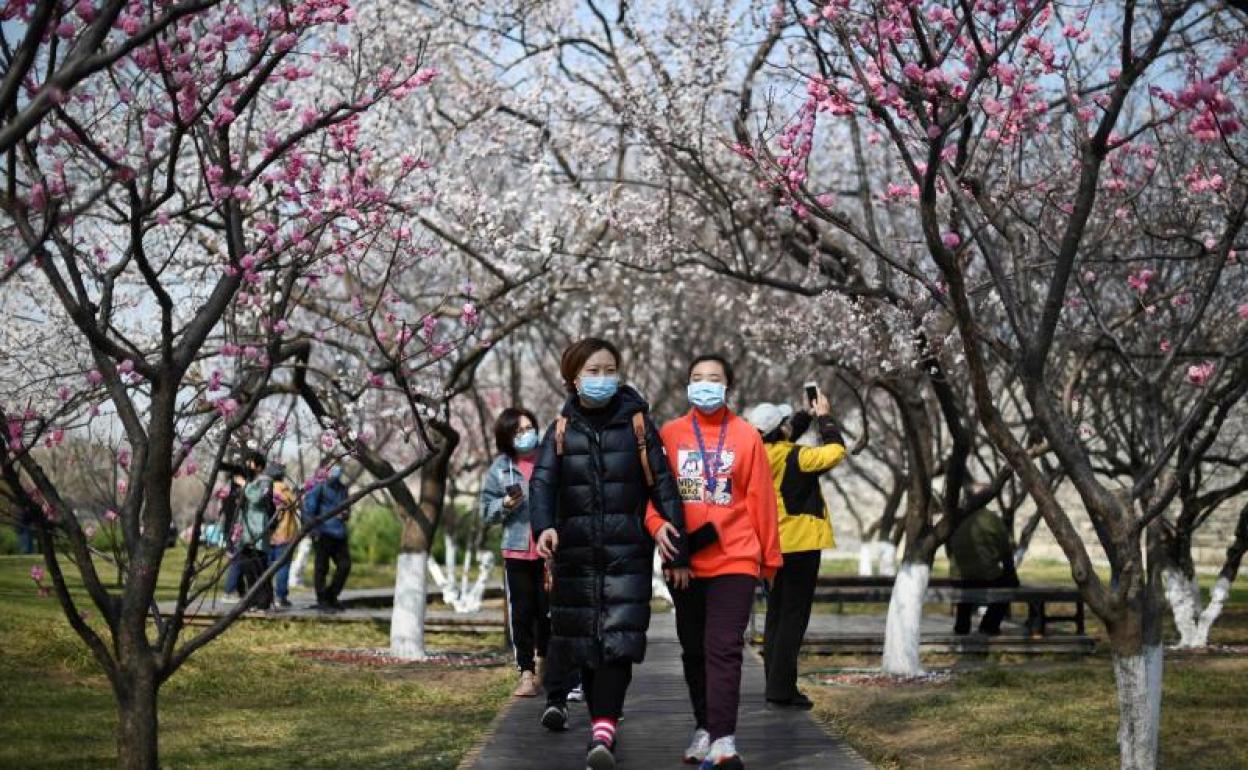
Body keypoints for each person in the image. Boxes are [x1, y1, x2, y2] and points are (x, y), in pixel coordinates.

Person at [530, 337, 688, 770]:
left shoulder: (637, 423)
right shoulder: (561, 428)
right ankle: (596, 718)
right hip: (576, 552)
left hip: (627, 552)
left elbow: (663, 483)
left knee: (618, 640)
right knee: (583, 639)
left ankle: (603, 728)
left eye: (609, 369)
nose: (602, 378)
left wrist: (678, 552)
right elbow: (542, 483)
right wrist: (544, 527)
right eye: (592, 371)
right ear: (574, 378)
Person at [648, 353, 782, 770]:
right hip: (683, 562)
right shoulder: (669, 434)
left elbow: (761, 499)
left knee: (723, 647)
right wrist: (657, 530)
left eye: (714, 378)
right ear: (687, 385)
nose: (705, 385)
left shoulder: (746, 436)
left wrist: (770, 561)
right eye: (697, 378)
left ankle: (724, 739)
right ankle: (704, 726)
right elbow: (651, 496)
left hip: (735, 558)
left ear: (728, 387)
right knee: (693, 650)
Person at [744, 391, 846, 710]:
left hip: (768, 546)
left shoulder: (753, 454)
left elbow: (783, 434)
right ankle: (782, 690)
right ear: (780, 429)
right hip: (800, 545)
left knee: (776, 615)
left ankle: (775, 683)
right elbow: (835, 452)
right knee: (793, 618)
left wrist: (805, 414)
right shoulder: (796, 456)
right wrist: (826, 417)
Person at [480, 406, 549, 697]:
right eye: (517, 431)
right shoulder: (500, 468)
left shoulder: (549, 461)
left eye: (528, 428)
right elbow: (485, 512)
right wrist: (505, 505)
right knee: (522, 613)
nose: (525, 434)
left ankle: (545, 665)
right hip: (517, 552)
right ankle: (526, 672)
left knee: (548, 612)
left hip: (549, 550)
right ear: (507, 436)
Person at [946, 495, 1020, 636]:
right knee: (1007, 588)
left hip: (958, 578)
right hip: (986, 577)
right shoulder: (992, 520)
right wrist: (1010, 573)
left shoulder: (956, 520)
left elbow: (949, 548)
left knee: (965, 592)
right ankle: (989, 625)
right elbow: (1006, 550)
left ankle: (962, 626)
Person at [303, 463, 352, 611]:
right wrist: (313, 531)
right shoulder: (319, 487)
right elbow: (308, 510)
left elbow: (347, 507)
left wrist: (345, 514)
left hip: (339, 533)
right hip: (323, 532)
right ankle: (322, 599)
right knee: (321, 568)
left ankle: (331, 595)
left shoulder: (343, 489)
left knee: (345, 565)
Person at [236, 451, 275, 610]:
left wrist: (244, 485)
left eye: (250, 463)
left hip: (257, 528)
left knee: (259, 567)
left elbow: (258, 498)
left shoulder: (265, 481)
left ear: (259, 466)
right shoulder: (249, 480)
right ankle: (250, 600)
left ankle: (264, 601)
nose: (247, 466)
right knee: (247, 568)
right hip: (244, 530)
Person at [266, 463, 299, 610]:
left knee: (266, 566)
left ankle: (264, 594)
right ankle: (281, 596)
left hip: (268, 535)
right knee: (283, 566)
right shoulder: (285, 490)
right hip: (285, 534)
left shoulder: (265, 490)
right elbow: (296, 504)